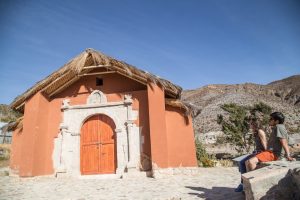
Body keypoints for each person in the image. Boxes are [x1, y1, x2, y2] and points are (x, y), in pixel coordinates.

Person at [234, 118, 267, 192]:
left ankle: (243, 184)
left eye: (251, 123)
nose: (250, 125)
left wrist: (266, 154)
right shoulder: (255, 132)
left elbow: (264, 144)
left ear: (255, 124)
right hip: (257, 151)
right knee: (241, 162)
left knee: (243, 162)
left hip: (261, 152)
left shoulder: (260, 131)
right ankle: (243, 183)